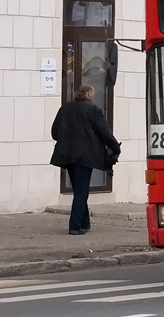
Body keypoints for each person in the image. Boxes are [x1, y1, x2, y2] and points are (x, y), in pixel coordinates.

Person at [50, 85, 120, 235]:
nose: (93, 97)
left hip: (67, 154)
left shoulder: (65, 108)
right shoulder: (93, 110)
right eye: (92, 94)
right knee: (81, 191)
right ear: (88, 94)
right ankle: (75, 226)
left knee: (78, 189)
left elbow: (55, 131)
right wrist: (115, 147)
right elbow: (104, 132)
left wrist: (67, 139)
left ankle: (84, 223)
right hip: (85, 156)